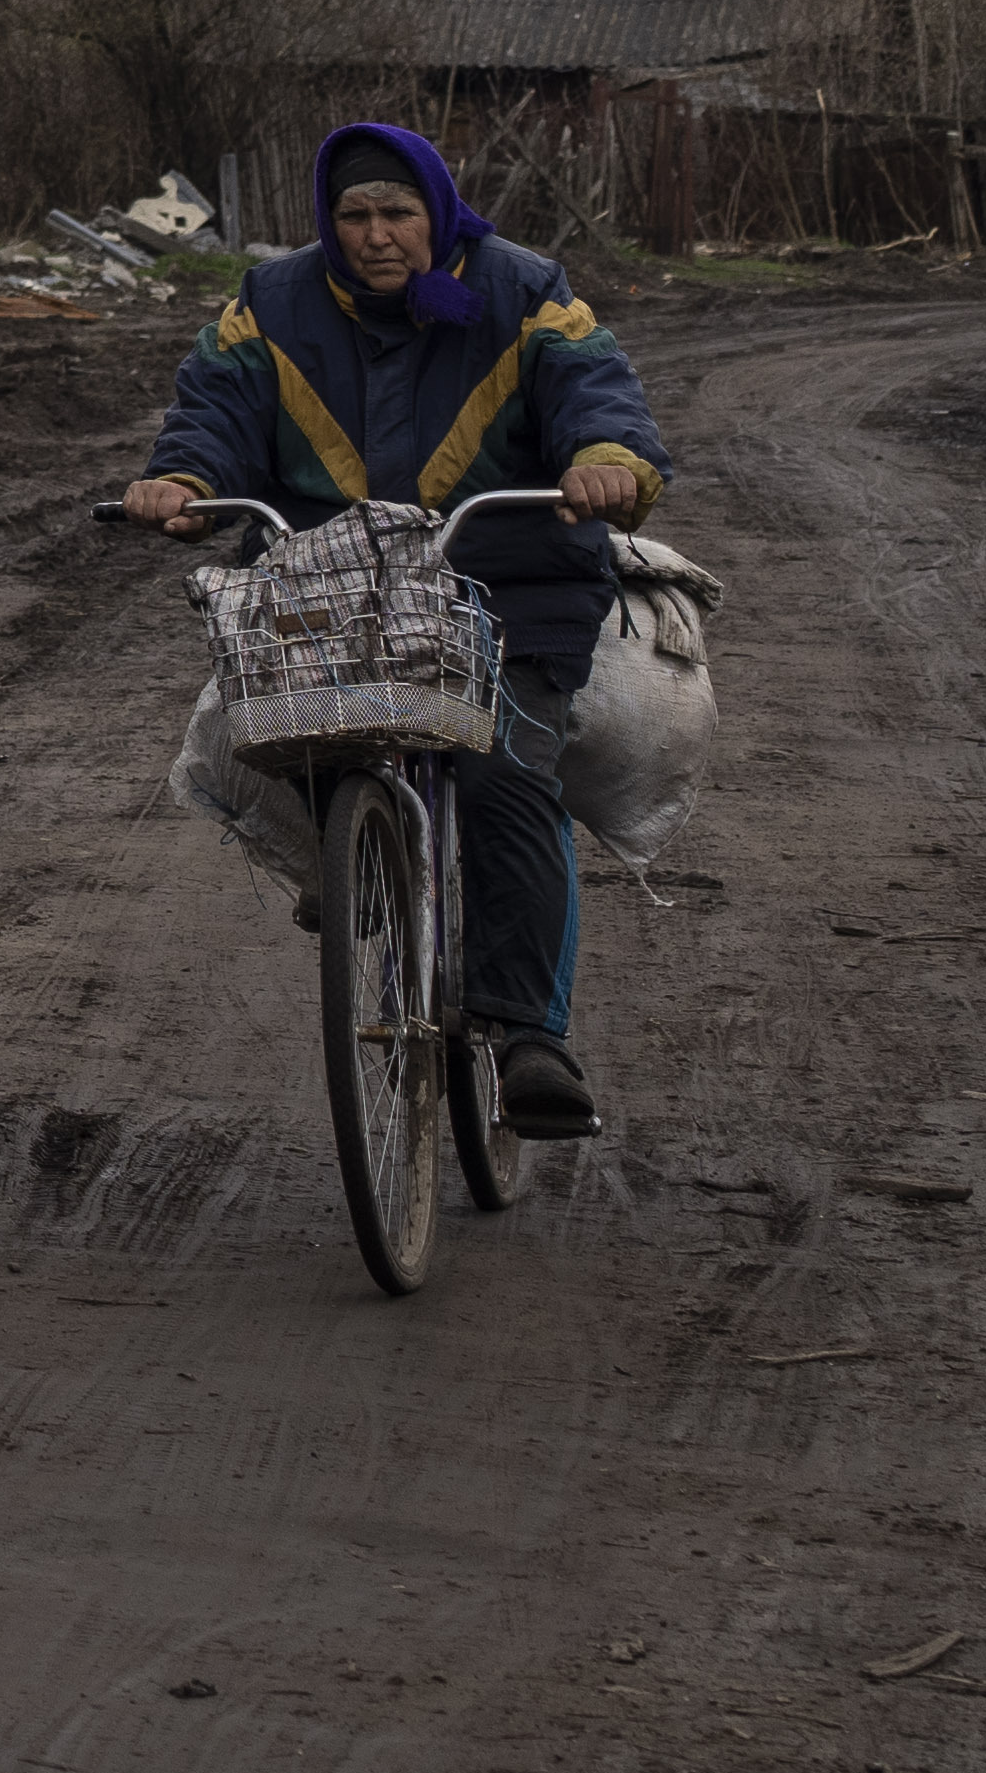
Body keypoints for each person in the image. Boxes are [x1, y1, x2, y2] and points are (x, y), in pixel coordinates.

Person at [121, 121, 666, 1135]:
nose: (376, 236)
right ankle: (358, 859)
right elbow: (215, 412)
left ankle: (528, 1038)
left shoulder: (524, 291)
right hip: (337, 579)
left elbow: (597, 389)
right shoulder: (271, 304)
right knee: (292, 728)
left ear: (439, 214)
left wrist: (605, 463)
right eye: (355, 216)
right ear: (329, 224)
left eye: (398, 214)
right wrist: (185, 481)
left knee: (506, 769)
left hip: (511, 575)